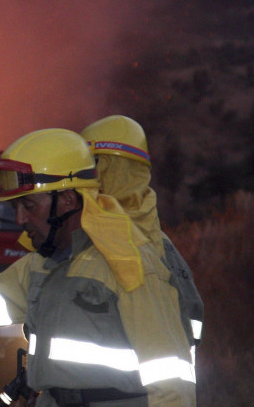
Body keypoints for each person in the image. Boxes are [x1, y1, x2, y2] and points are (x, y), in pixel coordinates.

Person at [0, 128, 195, 406]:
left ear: (66, 200)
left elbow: (171, 380)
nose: (20, 220)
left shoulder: (131, 265)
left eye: (29, 205)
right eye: (15, 207)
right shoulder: (45, 263)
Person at [80, 115, 203, 350]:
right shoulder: (164, 248)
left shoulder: (86, 241)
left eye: (87, 168)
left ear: (105, 167)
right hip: (148, 383)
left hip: (120, 385)